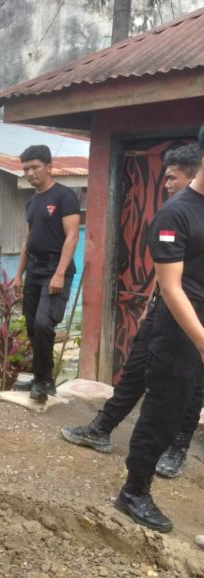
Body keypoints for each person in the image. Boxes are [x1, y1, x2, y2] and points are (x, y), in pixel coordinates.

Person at [60, 144, 202, 480]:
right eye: (165, 178)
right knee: (136, 366)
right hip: (167, 309)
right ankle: (102, 427)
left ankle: (178, 447)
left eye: (172, 178)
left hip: (192, 314)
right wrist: (152, 302)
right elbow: (171, 276)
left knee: (192, 383)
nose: (166, 184)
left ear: (193, 170)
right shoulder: (177, 212)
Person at [112, 128, 204, 534]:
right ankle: (134, 491)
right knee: (163, 411)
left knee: (187, 405)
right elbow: (170, 287)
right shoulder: (176, 213)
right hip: (180, 329)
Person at [11, 145, 81, 403]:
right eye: (26, 168)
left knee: (44, 322)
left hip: (55, 269)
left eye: (35, 167)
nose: (30, 173)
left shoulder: (65, 196)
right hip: (35, 269)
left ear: (49, 167)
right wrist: (18, 275)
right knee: (32, 326)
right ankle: (43, 378)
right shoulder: (32, 201)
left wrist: (60, 273)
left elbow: (72, 236)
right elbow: (27, 241)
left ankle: (42, 381)